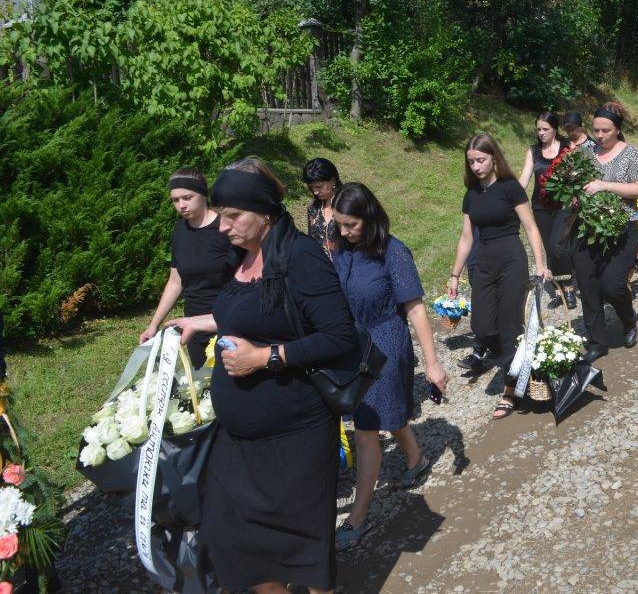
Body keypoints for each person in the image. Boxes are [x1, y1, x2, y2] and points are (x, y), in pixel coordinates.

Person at [167, 156, 356, 594]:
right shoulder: (239, 255)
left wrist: (266, 358)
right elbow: (250, 312)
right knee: (235, 543)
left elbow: (339, 336)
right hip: (239, 441)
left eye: (234, 216)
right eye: (223, 215)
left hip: (297, 437)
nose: (223, 225)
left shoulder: (301, 257)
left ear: (265, 213)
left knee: (304, 550)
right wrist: (201, 322)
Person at [331, 182, 449, 549]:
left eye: (351, 225)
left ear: (369, 217)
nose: (345, 232)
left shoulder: (393, 253)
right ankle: (416, 458)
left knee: (366, 429)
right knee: (383, 413)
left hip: (384, 346)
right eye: (339, 225)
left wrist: (432, 363)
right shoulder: (342, 252)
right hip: (354, 345)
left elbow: (415, 309)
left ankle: (357, 518)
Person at [449, 134, 551, 420]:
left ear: (494, 158)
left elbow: (530, 228)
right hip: (483, 262)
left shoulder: (510, 189)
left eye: (481, 160)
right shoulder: (471, 194)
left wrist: (540, 264)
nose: (476, 166)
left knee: (509, 327)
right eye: (471, 162)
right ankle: (525, 362)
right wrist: (454, 275)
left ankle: (511, 390)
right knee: (482, 327)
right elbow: (466, 238)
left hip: (510, 260)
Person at [140, 168, 243, 368]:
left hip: (229, 322)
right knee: (202, 389)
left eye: (187, 197)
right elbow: (175, 281)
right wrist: (153, 325)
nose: (181, 205)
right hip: (193, 325)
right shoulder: (179, 231)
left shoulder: (226, 228)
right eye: (175, 200)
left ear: (203, 195)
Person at [573, 102, 638, 364]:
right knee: (588, 283)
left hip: (622, 225)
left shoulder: (630, 153)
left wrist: (604, 185)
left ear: (617, 130)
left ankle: (628, 320)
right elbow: (575, 182)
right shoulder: (585, 151)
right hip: (587, 226)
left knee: (613, 284)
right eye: (596, 130)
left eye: (605, 130)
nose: (600, 135)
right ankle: (597, 342)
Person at [518, 112, 576, 308]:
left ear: (555, 129)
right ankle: (559, 289)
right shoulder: (533, 151)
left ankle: (568, 288)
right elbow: (524, 179)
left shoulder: (567, 148)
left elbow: (578, 174)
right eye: (539, 129)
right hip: (540, 206)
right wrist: (510, 197)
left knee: (557, 246)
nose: (541, 133)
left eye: (545, 129)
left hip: (564, 204)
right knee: (550, 250)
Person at [303, 158, 341, 256]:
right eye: (312, 187)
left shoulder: (348, 204)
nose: (315, 192)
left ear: (333, 180)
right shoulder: (313, 209)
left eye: (319, 187)